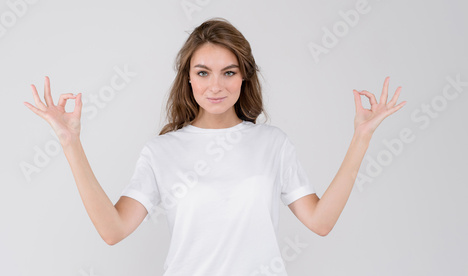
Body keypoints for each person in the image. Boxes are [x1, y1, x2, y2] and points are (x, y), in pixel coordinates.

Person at [23, 17, 406, 275]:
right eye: (203, 73)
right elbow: (113, 229)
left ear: (244, 77)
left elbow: (320, 222)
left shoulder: (272, 144)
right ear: (188, 80)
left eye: (229, 72)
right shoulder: (162, 152)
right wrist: (70, 143)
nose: (216, 85)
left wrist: (362, 137)